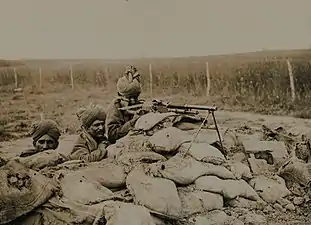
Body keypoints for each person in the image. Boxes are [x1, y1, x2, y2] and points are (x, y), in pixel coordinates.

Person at [105, 65, 147, 144]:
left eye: (135, 97)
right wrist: (132, 122)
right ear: (121, 96)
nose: (134, 101)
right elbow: (112, 135)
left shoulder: (138, 104)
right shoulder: (115, 108)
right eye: (130, 98)